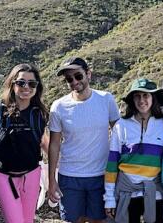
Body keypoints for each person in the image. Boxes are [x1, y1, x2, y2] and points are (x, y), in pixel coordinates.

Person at [48, 56, 120, 223]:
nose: (74, 82)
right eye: (69, 79)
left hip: (101, 175)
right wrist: (51, 180)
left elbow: (120, 135)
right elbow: (54, 144)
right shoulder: (58, 106)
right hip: (70, 176)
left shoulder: (106, 99)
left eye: (78, 76)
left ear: (89, 74)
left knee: (99, 220)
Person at [0, 63, 48, 223]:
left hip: (31, 176)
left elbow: (45, 143)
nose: (26, 87)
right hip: (3, 177)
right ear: (12, 83)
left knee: (27, 221)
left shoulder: (39, 113)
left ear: (37, 87)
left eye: (32, 83)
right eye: (21, 82)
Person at [104, 78, 163, 223]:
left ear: (153, 98)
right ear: (132, 100)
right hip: (127, 195)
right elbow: (112, 164)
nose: (142, 100)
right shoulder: (121, 126)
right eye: (137, 96)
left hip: (155, 195)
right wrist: (109, 198)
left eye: (146, 95)